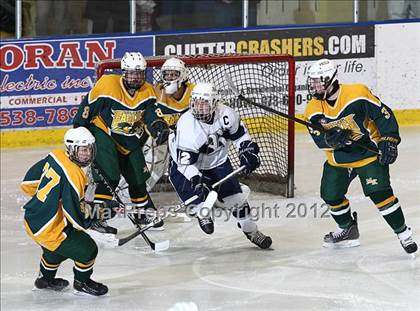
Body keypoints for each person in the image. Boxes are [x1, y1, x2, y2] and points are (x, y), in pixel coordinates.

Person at [304, 58, 417, 254]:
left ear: (330, 80)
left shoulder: (357, 94)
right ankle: (347, 229)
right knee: (330, 195)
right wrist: (332, 141)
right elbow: (318, 139)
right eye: (311, 81)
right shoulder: (313, 109)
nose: (313, 86)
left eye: (317, 81)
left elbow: (383, 114)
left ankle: (403, 233)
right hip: (338, 159)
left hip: (368, 153)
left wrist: (389, 139)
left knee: (380, 193)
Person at [168, 82, 272, 249]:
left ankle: (252, 231)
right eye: (195, 102)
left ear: (214, 103)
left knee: (239, 203)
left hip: (218, 164)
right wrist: (198, 181)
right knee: (201, 208)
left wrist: (247, 152)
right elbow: (185, 164)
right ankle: (202, 212)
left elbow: (240, 136)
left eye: (204, 103)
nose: (198, 107)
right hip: (185, 169)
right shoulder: (187, 126)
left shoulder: (227, 115)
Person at [73, 52, 169, 233]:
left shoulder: (148, 91)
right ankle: (97, 218)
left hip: (130, 139)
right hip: (104, 135)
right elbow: (87, 108)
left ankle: (142, 213)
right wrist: (79, 130)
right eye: (132, 73)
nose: (136, 77)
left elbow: (151, 114)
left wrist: (159, 126)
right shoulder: (108, 84)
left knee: (139, 178)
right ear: (124, 72)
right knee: (110, 176)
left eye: (140, 73)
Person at [20, 127, 108, 296]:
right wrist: (94, 217)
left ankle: (44, 279)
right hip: (49, 228)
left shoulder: (56, 155)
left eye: (89, 149)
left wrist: (50, 199)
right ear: (72, 149)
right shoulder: (74, 174)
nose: (87, 154)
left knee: (54, 251)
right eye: (83, 150)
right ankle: (82, 283)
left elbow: (27, 183)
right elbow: (76, 217)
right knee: (88, 249)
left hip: (33, 219)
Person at [144, 57, 194, 191]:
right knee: (152, 164)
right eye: (166, 74)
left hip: (189, 141)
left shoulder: (194, 93)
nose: (169, 78)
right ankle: (137, 195)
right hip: (162, 139)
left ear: (183, 75)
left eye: (174, 74)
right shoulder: (155, 92)